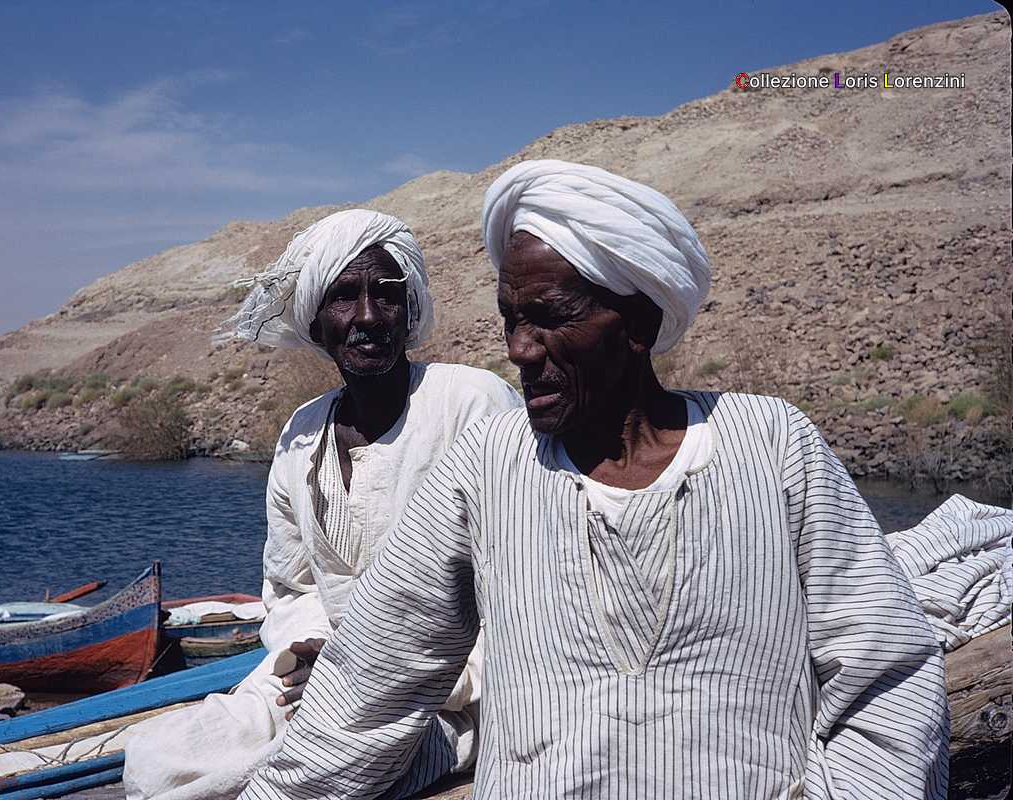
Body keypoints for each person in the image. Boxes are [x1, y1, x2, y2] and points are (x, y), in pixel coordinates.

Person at [239, 161, 950, 799]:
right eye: (511, 320)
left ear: (637, 320)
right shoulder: (488, 464)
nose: (520, 350)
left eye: (551, 319)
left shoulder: (772, 445)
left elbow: (887, 679)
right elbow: (371, 683)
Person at [122, 208, 522, 800]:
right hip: (323, 674)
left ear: (409, 309)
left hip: (451, 690)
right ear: (316, 320)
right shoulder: (301, 433)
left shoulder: (471, 403)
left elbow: (521, 586)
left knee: (318, 773)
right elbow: (291, 588)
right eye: (343, 297)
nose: (367, 316)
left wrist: (384, 673)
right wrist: (320, 653)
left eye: (386, 295)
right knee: (156, 761)